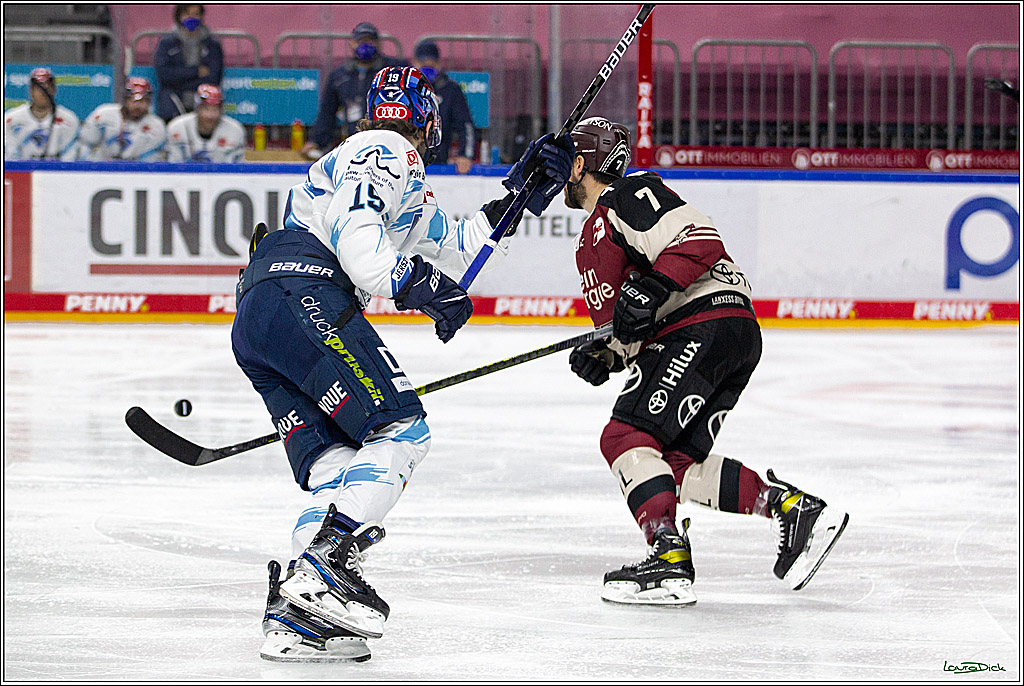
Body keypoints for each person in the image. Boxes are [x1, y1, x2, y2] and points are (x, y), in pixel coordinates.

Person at [231, 65, 572, 661]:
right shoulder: (388, 151)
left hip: (265, 318)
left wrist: (521, 194)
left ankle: (294, 614)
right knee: (402, 430)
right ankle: (323, 568)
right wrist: (412, 283)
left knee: (337, 465)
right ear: (429, 119)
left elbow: (462, 246)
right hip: (303, 296)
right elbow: (358, 233)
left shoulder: (390, 176)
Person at [563, 117, 849, 606]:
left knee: (626, 437)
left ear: (582, 162)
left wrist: (652, 289)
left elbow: (698, 242)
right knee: (672, 464)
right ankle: (792, 507)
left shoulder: (628, 197)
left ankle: (668, 557)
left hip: (702, 324)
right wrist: (605, 355)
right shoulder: (590, 239)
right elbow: (631, 329)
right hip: (723, 333)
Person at [302, 22, 403, 159]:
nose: (365, 45)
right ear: (352, 43)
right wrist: (316, 141)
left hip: (390, 142)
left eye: (370, 40)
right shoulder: (340, 76)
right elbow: (327, 112)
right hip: (356, 141)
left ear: (379, 43)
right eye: (361, 41)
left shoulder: (395, 71)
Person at [411, 40, 474, 174]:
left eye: (432, 64)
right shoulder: (405, 90)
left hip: (439, 164)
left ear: (439, 64)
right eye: (423, 64)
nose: (427, 69)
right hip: (407, 161)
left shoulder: (451, 90)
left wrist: (465, 155)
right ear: (415, 64)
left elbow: (466, 126)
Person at [153, 4, 224, 122]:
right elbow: (164, 75)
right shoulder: (166, 43)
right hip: (173, 101)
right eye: (187, 14)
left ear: (202, 16)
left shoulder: (212, 45)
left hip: (204, 104)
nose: (192, 18)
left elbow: (213, 79)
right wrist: (196, 71)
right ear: (179, 16)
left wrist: (179, 79)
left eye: (196, 14)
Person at [76, 77, 167, 161]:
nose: (138, 106)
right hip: (101, 169)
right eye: (133, 101)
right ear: (125, 100)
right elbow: (86, 143)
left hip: (136, 173)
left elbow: (153, 157)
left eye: (143, 101)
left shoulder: (156, 126)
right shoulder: (104, 114)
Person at [4, 67, 80, 160]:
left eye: (47, 87)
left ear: (54, 90)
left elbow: (69, 157)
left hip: (56, 171)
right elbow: (9, 155)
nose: (44, 93)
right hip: (22, 171)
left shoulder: (68, 120)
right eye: (39, 88)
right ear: (31, 91)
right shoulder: (12, 120)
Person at [165, 84, 245, 162]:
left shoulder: (235, 131)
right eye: (205, 109)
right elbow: (171, 164)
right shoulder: (177, 127)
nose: (210, 115)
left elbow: (238, 169)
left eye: (215, 109)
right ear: (197, 108)